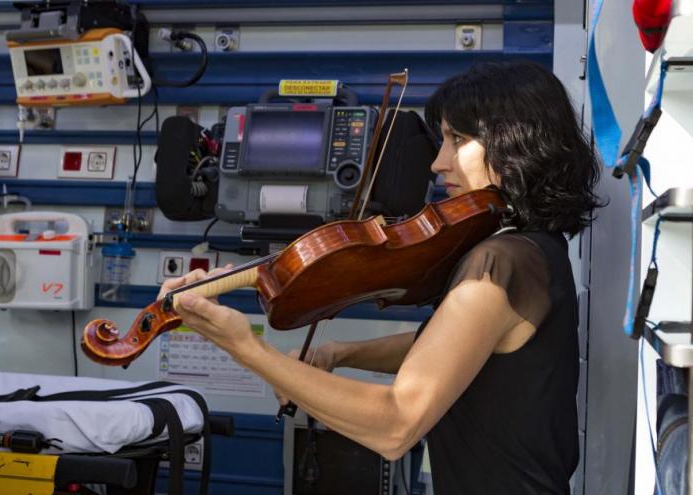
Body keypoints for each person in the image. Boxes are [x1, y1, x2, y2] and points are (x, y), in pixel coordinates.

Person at [161, 60, 601, 494]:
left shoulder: (499, 261)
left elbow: (396, 426)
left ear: (516, 143)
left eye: (459, 140)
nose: (437, 163)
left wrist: (245, 347)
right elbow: (451, 346)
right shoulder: (535, 249)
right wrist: (340, 352)